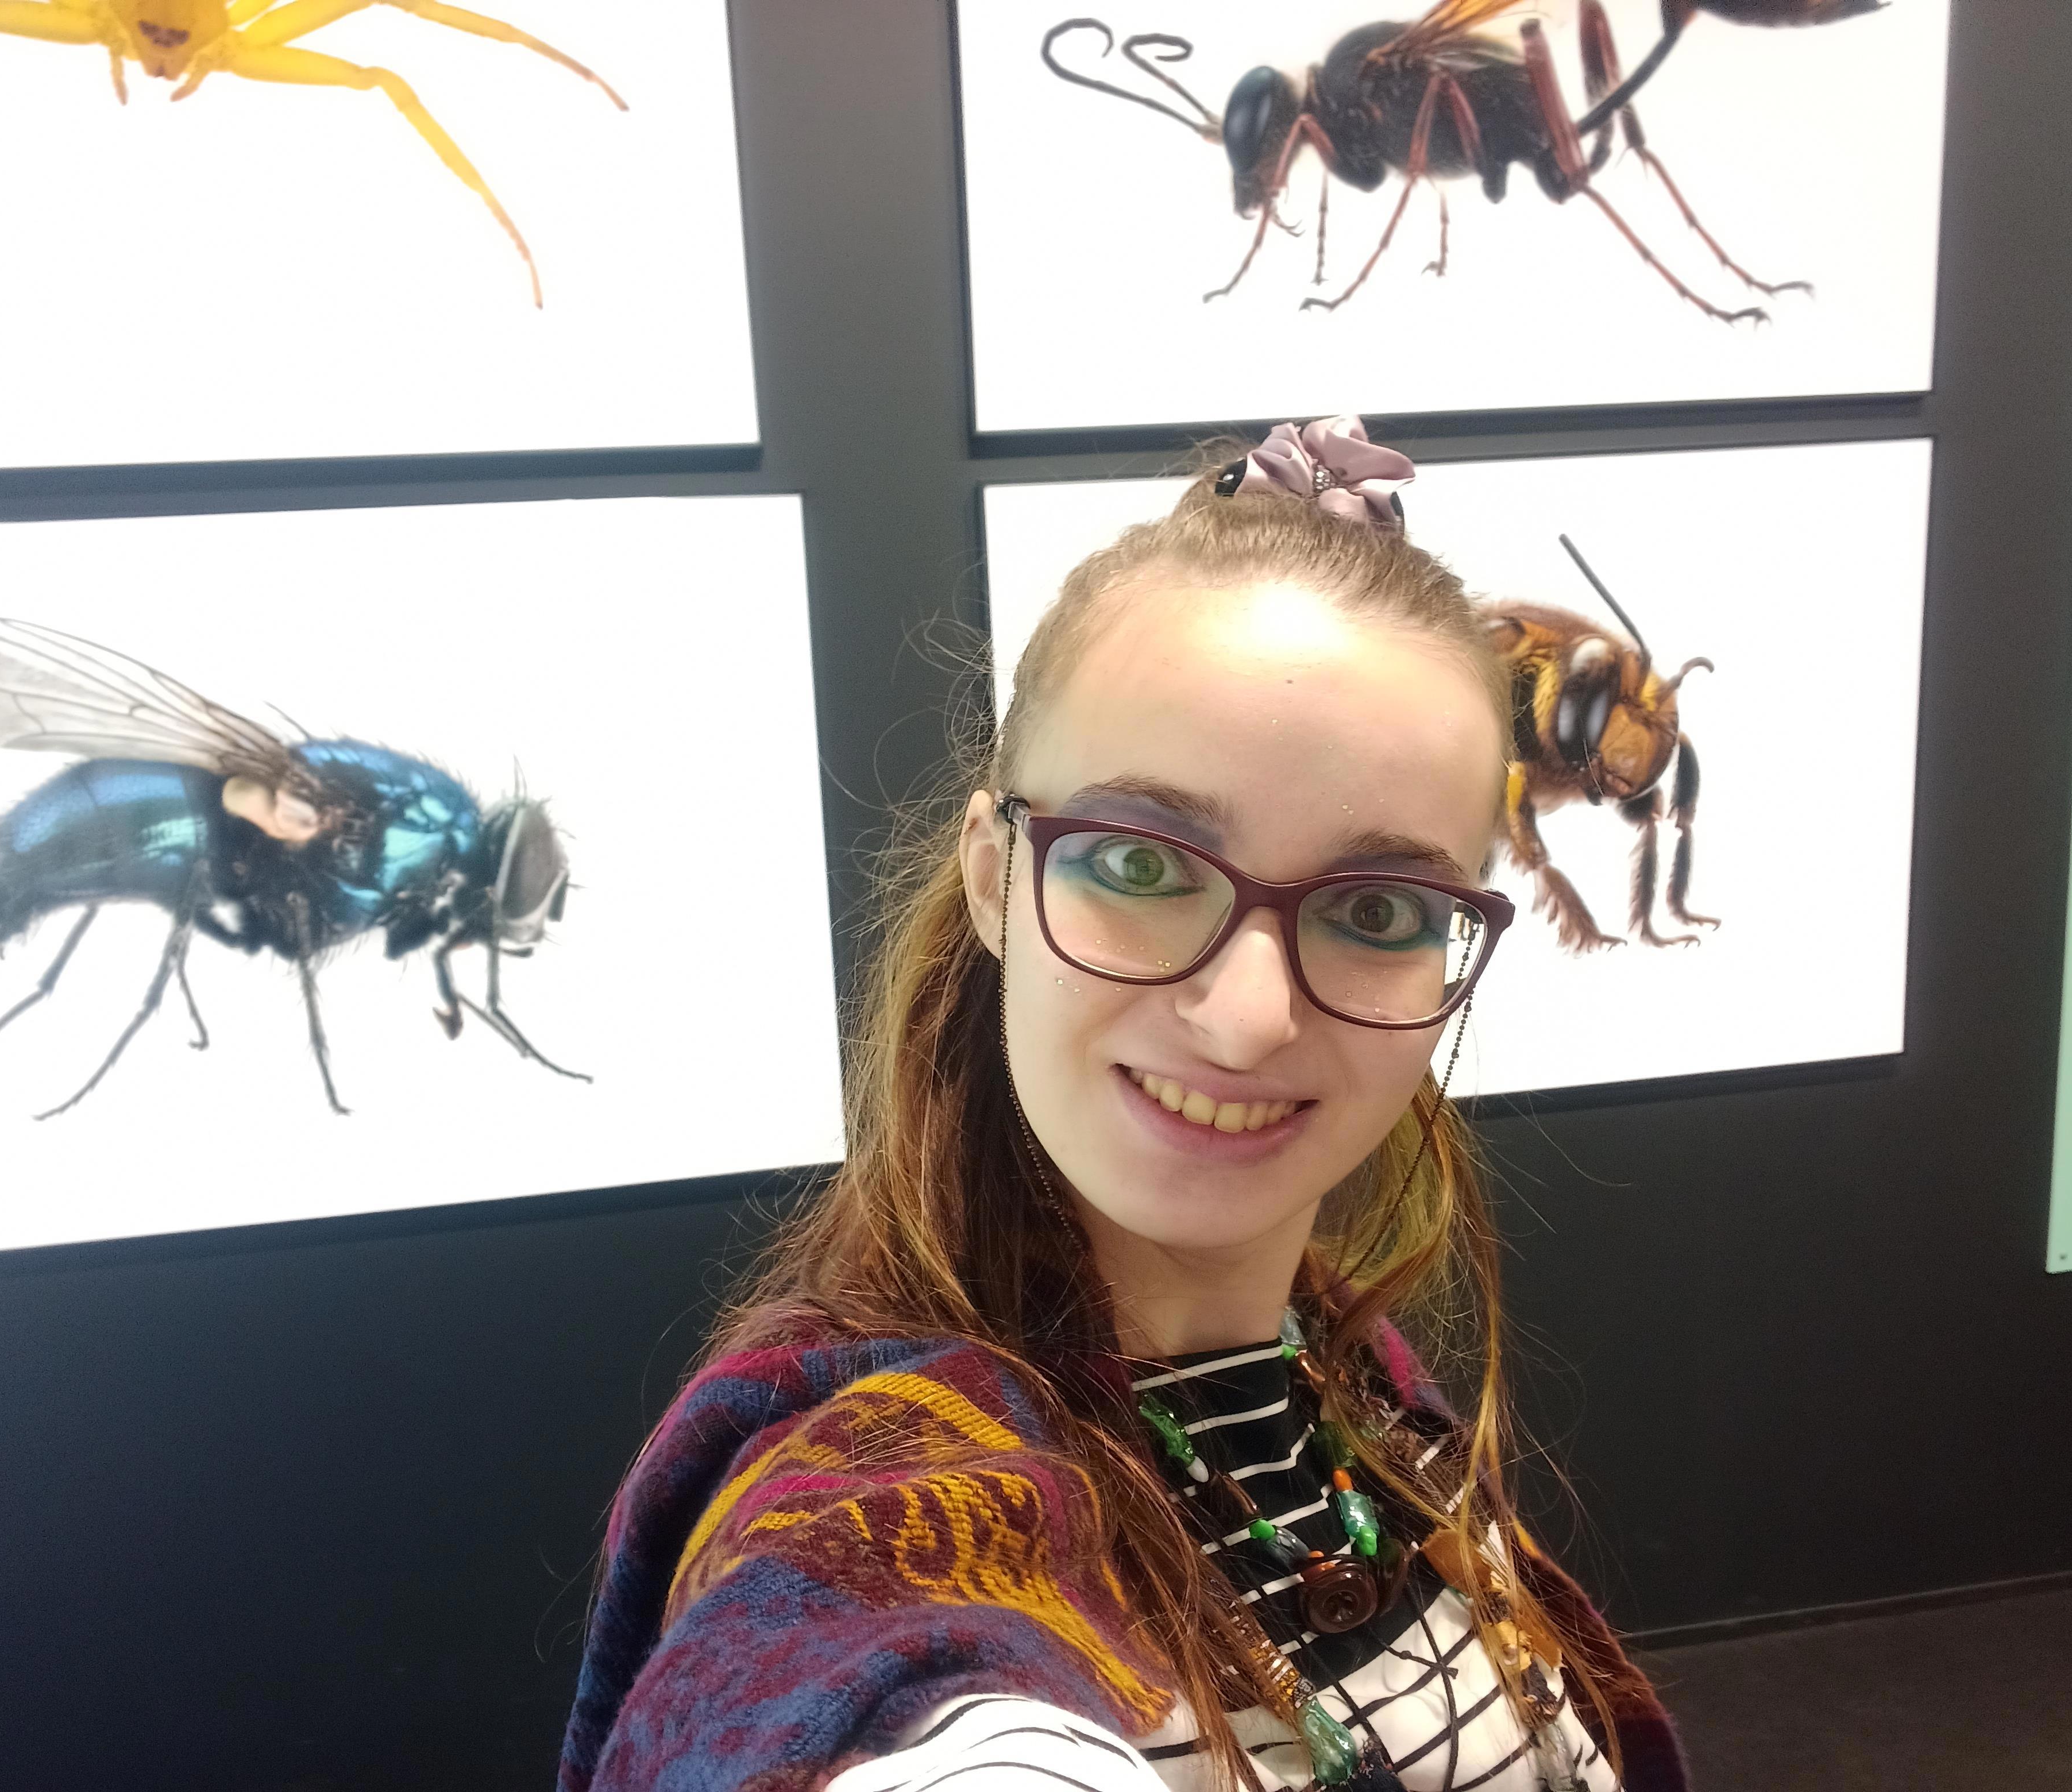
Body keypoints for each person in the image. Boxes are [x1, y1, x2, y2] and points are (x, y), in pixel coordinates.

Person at [558, 419, 1687, 1792]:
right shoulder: (871, 1497)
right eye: (1144, 868)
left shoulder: (1353, 1394)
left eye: (1378, 909)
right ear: (994, 878)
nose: (1249, 1015)